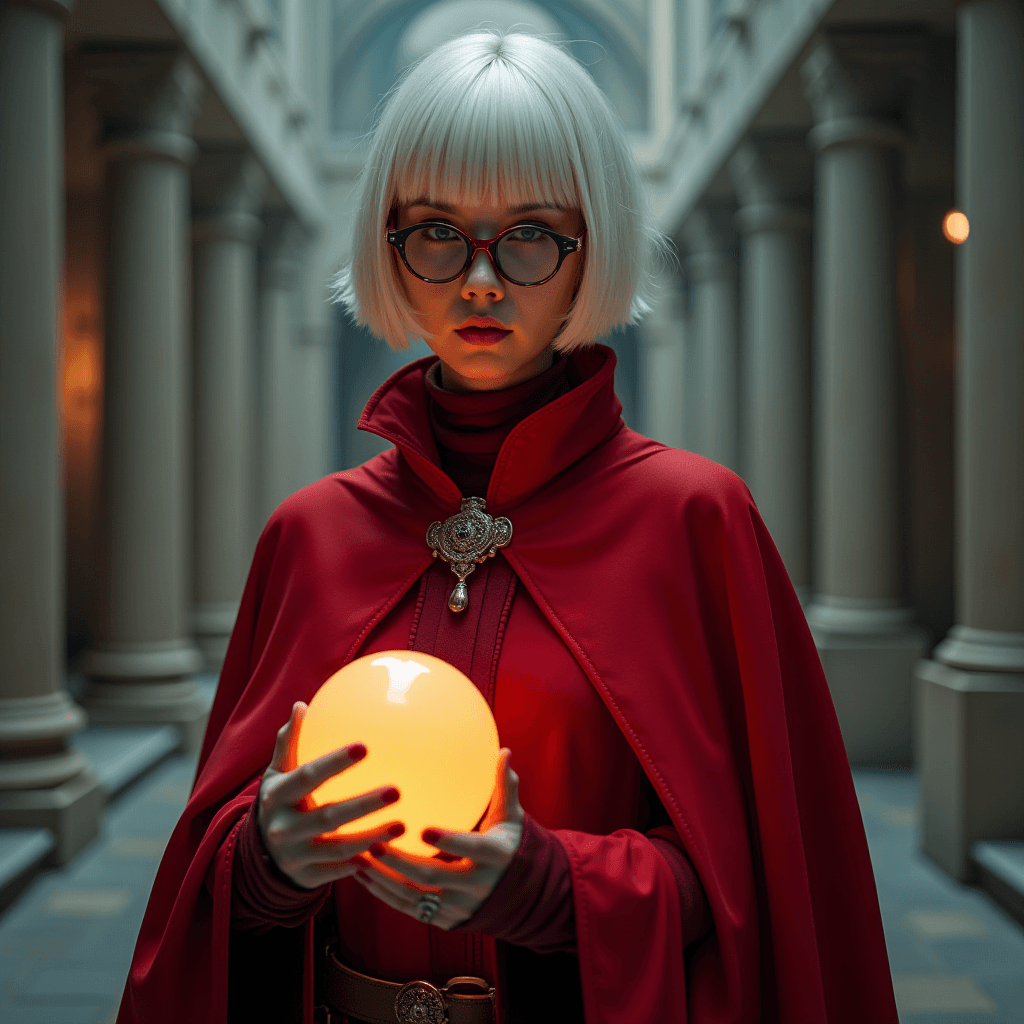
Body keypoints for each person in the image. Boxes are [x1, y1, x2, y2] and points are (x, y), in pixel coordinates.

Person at [117, 30, 899, 1024]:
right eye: (436, 231)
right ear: (388, 241)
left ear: (591, 248)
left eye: (530, 234)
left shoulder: (696, 520)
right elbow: (209, 878)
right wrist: (266, 860)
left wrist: (556, 884)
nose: (479, 281)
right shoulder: (308, 534)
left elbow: (756, 889)